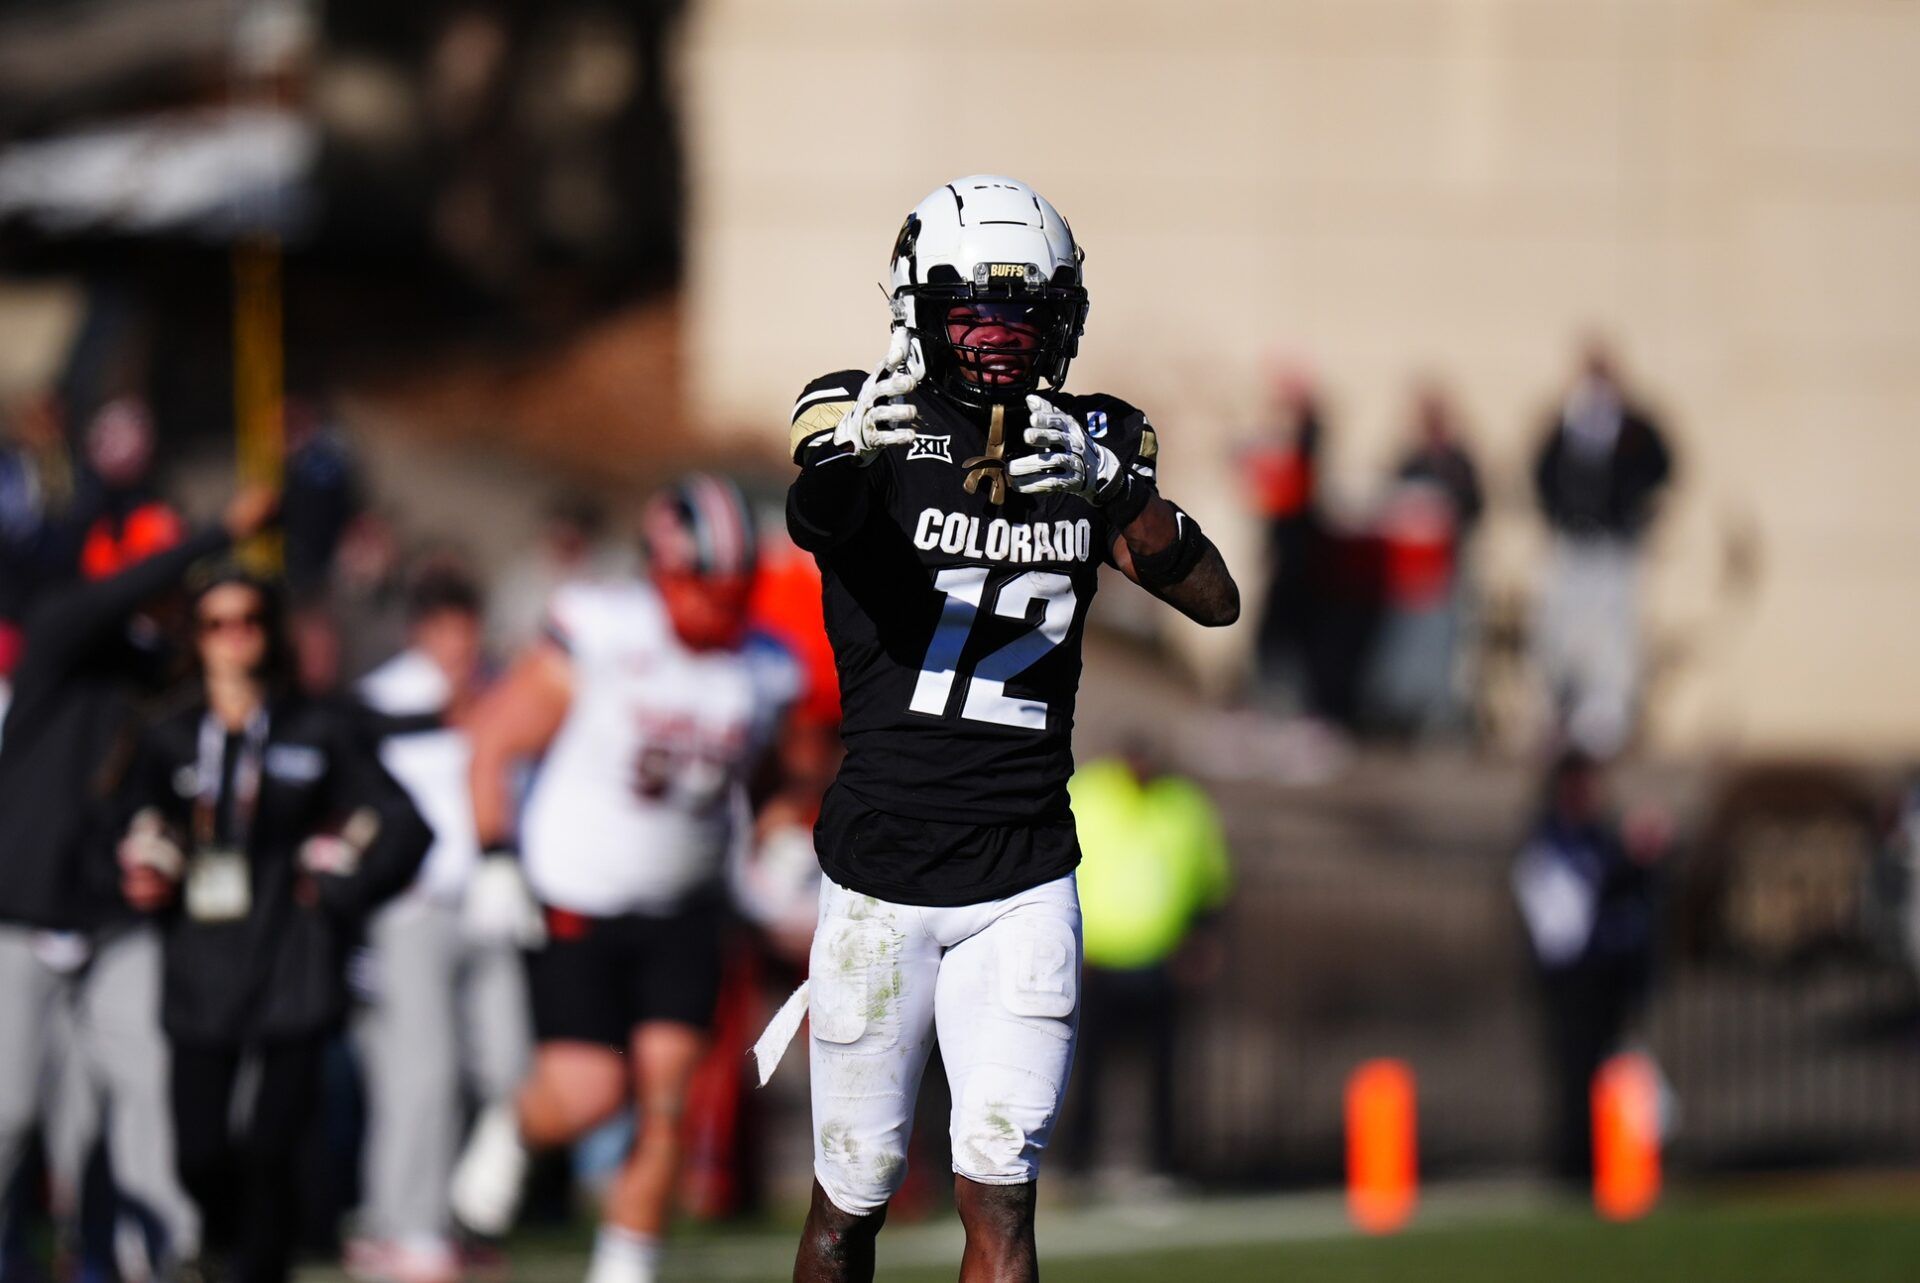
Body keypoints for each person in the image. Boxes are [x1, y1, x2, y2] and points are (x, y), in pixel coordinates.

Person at [775, 175, 1239, 1283]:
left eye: (1025, 315)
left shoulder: (1094, 442)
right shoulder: (862, 410)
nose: (1000, 339)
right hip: (881, 872)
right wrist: (849, 462)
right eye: (976, 311)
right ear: (918, 310)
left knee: (1003, 1189)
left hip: (1024, 870)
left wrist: (1119, 489)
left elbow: (1214, 598)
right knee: (852, 1197)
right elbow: (815, 517)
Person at [448, 475, 799, 1283]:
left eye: (733, 590)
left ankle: (623, 1272)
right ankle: (515, 1123)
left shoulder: (761, 666)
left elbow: (770, 778)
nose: (720, 607)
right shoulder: (601, 630)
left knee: (667, 1101)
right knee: (589, 1093)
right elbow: (494, 741)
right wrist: (496, 854)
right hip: (581, 894)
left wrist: (780, 836)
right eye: (704, 588)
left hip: (684, 905)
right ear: (662, 572)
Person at [117, 566, 431, 1283]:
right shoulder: (166, 737)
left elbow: (404, 823)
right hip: (198, 963)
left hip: (295, 959)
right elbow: (118, 829)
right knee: (198, 1152)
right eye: (216, 625)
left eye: (249, 621)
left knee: (270, 1144)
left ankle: (260, 1264)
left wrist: (344, 880)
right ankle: (234, 1244)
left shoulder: (316, 727)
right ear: (194, 639)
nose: (234, 641)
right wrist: (137, 867)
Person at [0, 484, 276, 1279]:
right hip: (22, 910)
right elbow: (112, 597)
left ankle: (162, 1253)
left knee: (151, 1077)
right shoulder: (60, 633)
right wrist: (219, 530)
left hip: (116, 917)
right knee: (11, 1108)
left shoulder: (171, 673)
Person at [348, 566, 532, 1283]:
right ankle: (403, 1225)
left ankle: (466, 1212)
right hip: (413, 907)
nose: (460, 642)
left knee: (510, 1068)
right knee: (418, 1073)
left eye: (468, 625)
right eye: (446, 627)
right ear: (421, 629)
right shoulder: (382, 699)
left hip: (489, 901)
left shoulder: (501, 689)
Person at [1056, 749, 1231, 1184]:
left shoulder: (1183, 806)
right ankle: (1076, 1163)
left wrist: (1201, 938)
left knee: (1165, 1071)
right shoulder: (1089, 795)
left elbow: (1209, 878)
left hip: (1161, 958)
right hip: (1096, 959)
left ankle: (1162, 1164)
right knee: (1081, 1069)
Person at [1511, 750, 1666, 1189]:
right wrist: (1632, 858)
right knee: (1576, 1071)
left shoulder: (1599, 837)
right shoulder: (1552, 841)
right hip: (1573, 977)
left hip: (1612, 974)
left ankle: (1614, 1160)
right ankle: (1575, 1168)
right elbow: (1570, 912)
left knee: (1615, 1068)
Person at [1530, 339, 1674, 754]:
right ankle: (1563, 713)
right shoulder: (1566, 423)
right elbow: (1542, 472)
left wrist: (1633, 510)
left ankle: (1606, 717)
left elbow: (1660, 467)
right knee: (1561, 629)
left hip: (1614, 544)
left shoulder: (1633, 426)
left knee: (1612, 632)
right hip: (1572, 540)